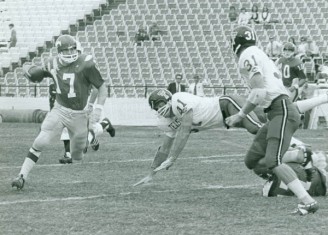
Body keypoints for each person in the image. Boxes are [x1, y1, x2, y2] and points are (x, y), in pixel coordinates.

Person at [133, 88, 328, 187]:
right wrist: (151, 174)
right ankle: (324, 98)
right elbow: (164, 147)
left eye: (159, 105)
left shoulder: (177, 100)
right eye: (156, 108)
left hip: (227, 105)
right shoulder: (169, 120)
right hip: (227, 118)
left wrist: (173, 159)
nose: (159, 110)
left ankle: (304, 152)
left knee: (258, 129)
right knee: (273, 116)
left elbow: (185, 130)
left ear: (166, 100)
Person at [225, 25, 319, 215]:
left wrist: (240, 115)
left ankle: (307, 200)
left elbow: (259, 92)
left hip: (281, 110)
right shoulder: (258, 53)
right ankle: (284, 175)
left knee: (273, 161)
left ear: (236, 42)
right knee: (252, 160)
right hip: (278, 110)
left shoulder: (247, 56)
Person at [11, 35, 108, 189]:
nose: (70, 52)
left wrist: (98, 108)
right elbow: (38, 74)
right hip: (60, 109)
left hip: (79, 114)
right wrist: (29, 70)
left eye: (72, 49)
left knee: (78, 155)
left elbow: (101, 87)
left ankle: (98, 129)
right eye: (66, 50)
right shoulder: (52, 63)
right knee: (40, 141)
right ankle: (21, 176)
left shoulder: (86, 63)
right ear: (59, 51)